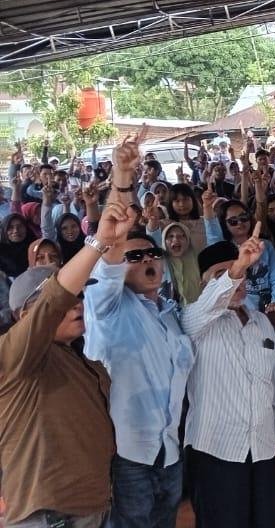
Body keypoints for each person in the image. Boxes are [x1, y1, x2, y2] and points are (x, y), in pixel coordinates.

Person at [0, 203, 127, 528]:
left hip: (91, 507)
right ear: (26, 316)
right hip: (47, 515)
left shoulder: (82, 359)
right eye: (67, 300)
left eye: (80, 297)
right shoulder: (15, 354)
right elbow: (55, 298)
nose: (77, 304)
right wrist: (98, 242)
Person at [182, 232, 275, 528]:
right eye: (222, 273)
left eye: (241, 271)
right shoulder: (193, 320)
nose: (238, 278)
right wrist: (236, 268)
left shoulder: (261, 322)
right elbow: (203, 310)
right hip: (215, 449)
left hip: (261, 447)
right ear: (204, 284)